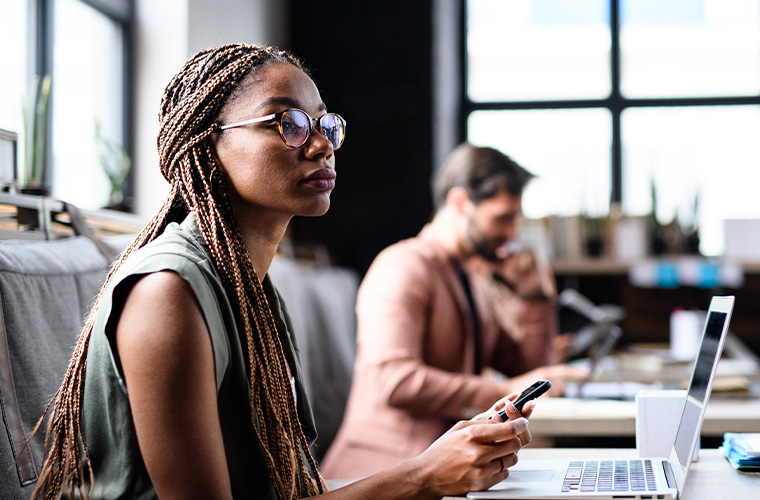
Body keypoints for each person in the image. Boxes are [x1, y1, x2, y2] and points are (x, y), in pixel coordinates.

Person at [32, 44, 535, 500]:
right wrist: (422, 476)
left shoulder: (251, 287)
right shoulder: (168, 293)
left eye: (325, 125)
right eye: (286, 123)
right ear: (208, 147)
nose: (321, 146)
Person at [321, 143, 584, 479]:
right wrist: (504, 389)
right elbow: (395, 380)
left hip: (443, 470)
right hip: (380, 474)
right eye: (502, 218)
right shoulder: (403, 265)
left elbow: (530, 368)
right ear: (460, 203)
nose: (511, 233)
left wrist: (533, 296)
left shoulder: (473, 278)